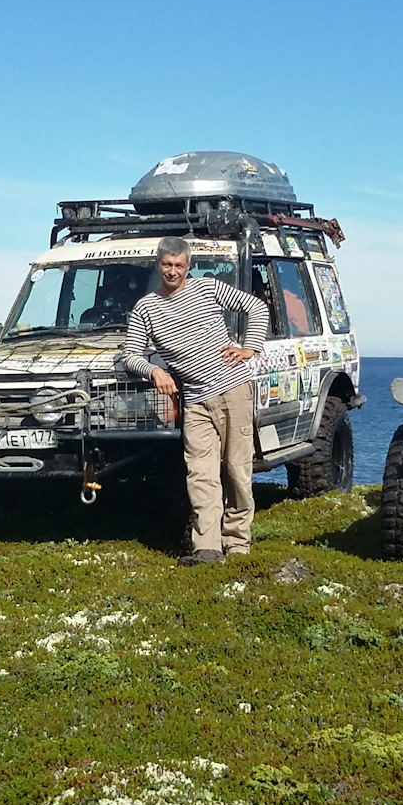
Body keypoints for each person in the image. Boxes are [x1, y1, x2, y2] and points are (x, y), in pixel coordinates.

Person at [119, 237, 271, 566]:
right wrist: (153, 371)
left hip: (233, 389)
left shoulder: (207, 288)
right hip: (194, 400)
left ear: (188, 266)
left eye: (179, 265)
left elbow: (256, 307)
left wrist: (250, 347)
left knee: (237, 471)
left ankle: (238, 543)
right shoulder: (145, 308)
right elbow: (130, 354)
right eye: (166, 265)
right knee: (200, 473)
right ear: (157, 265)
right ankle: (207, 548)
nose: (172, 271)